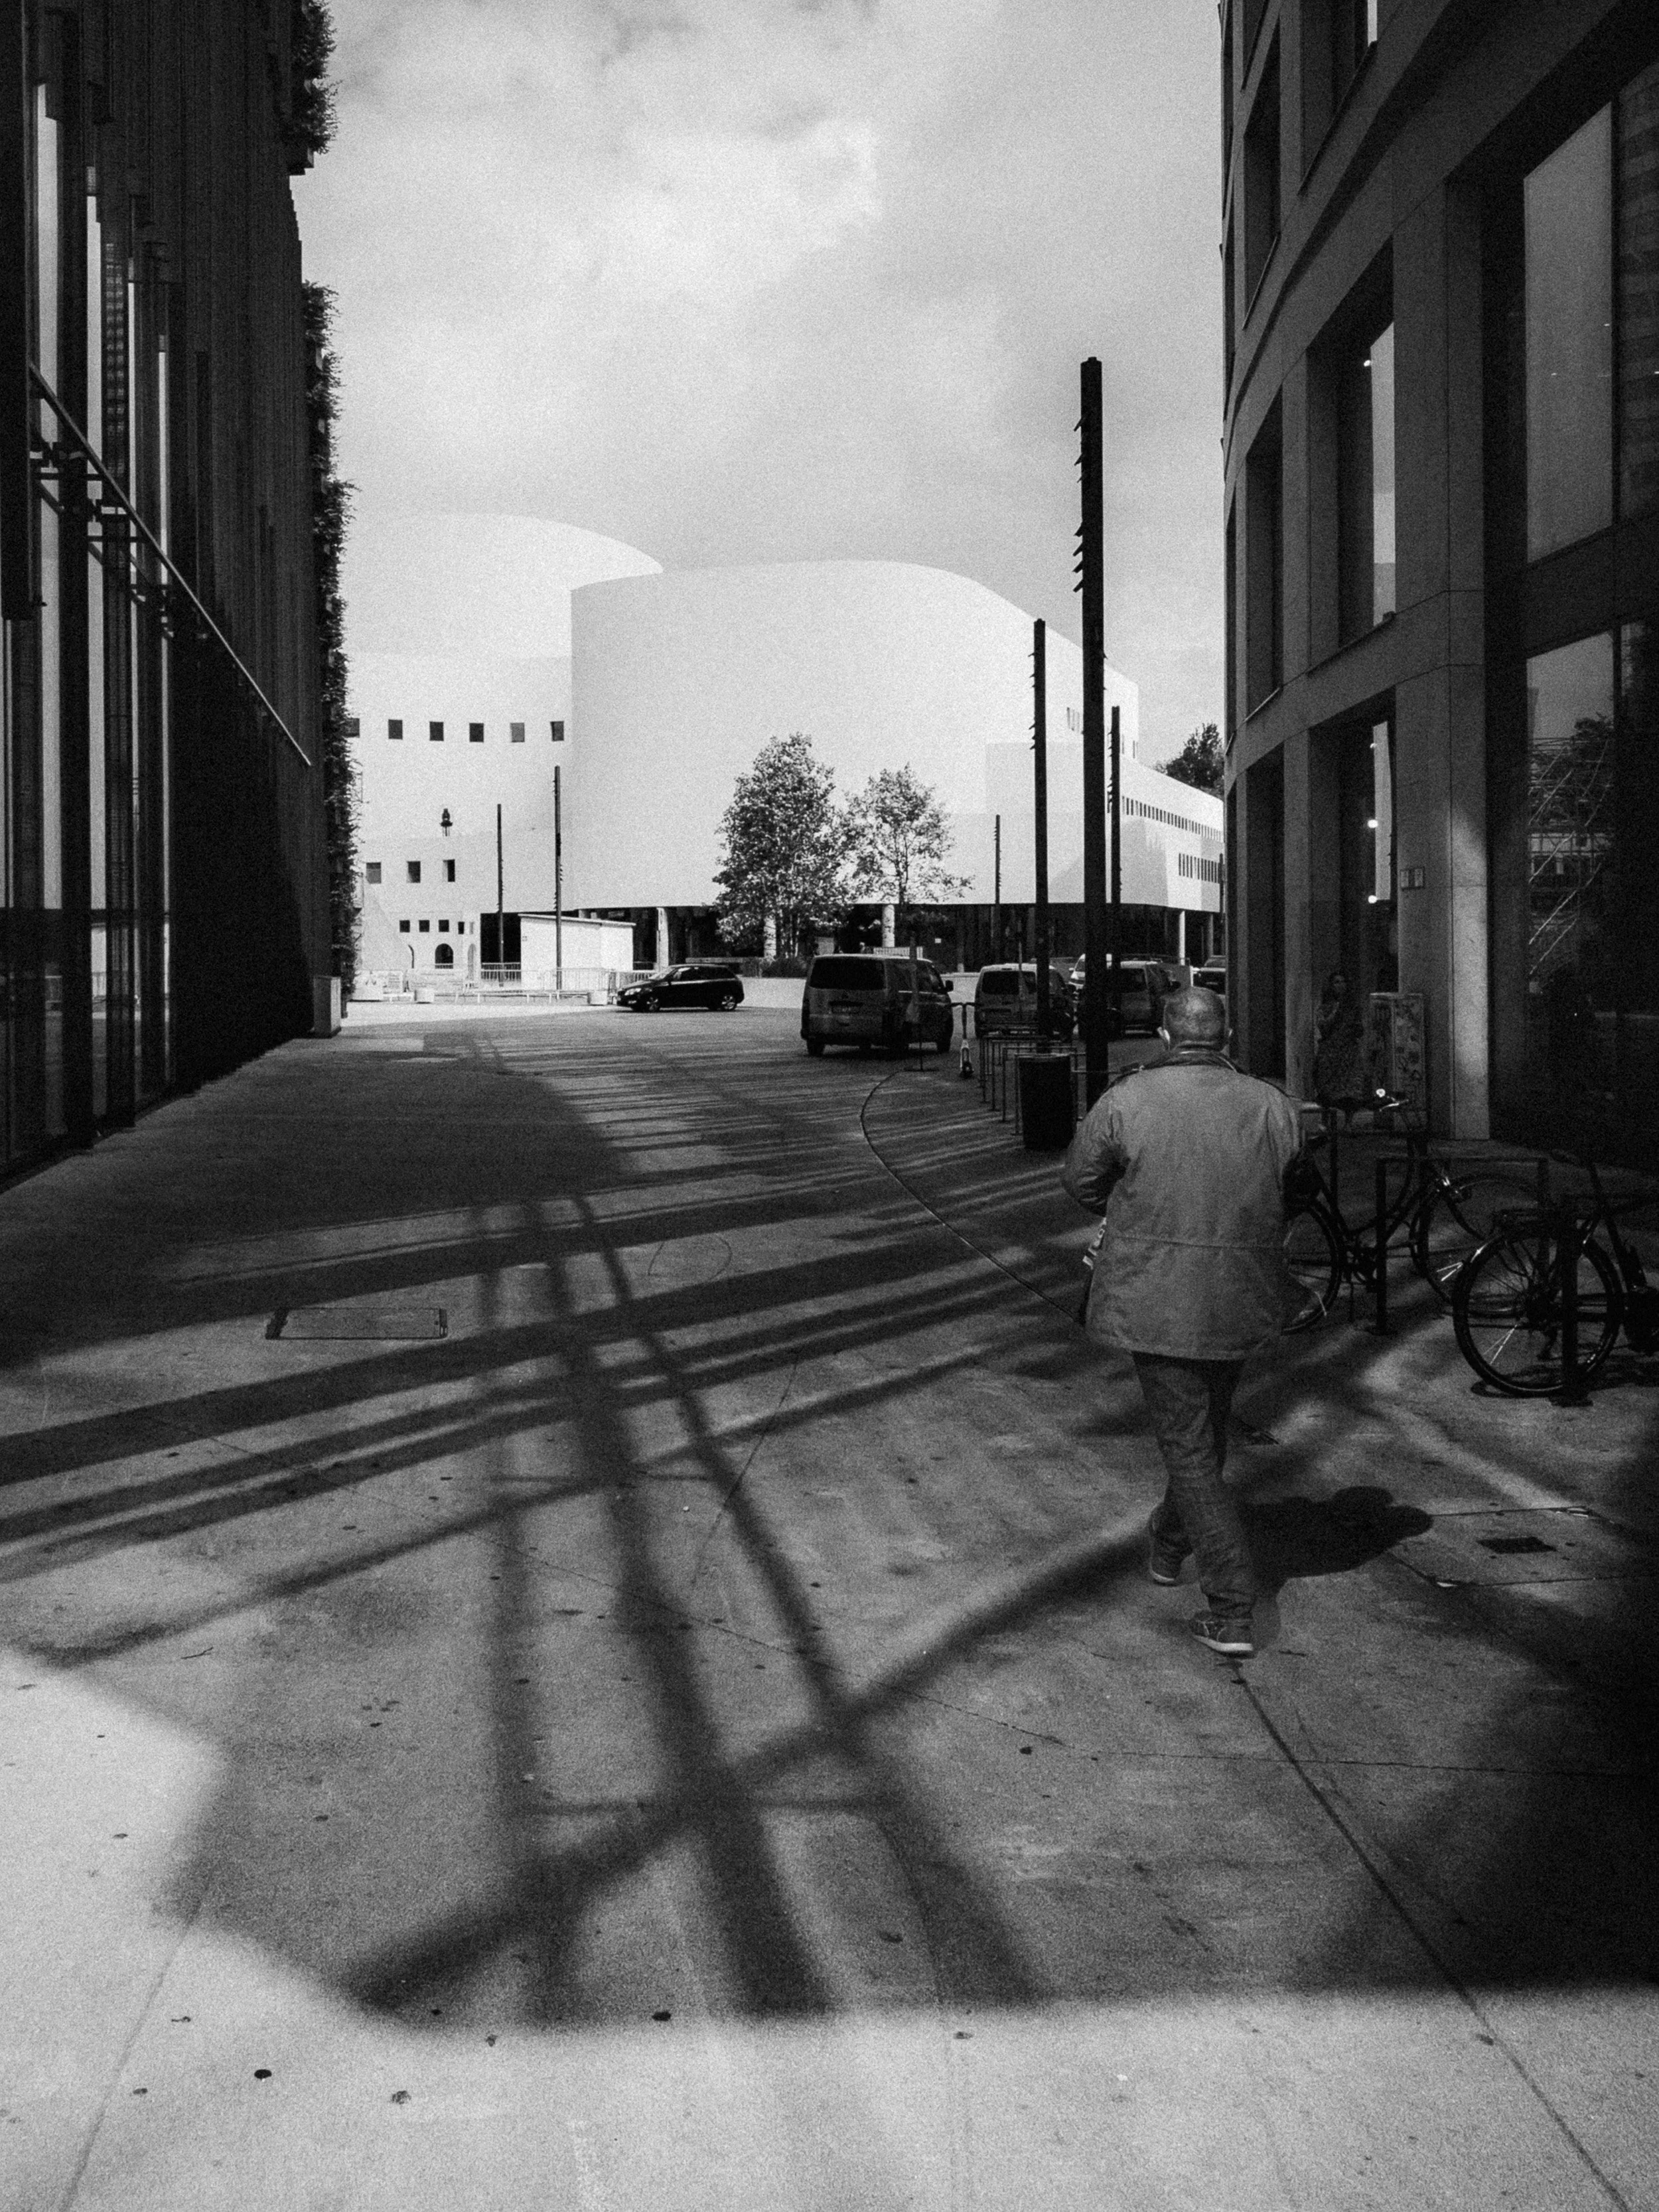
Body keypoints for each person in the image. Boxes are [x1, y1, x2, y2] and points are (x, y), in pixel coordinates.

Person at [1062, 986, 1308, 1659]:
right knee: (1203, 1434)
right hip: (1238, 1291)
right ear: (1223, 1037)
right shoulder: (1269, 1104)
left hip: (1157, 1294)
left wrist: (1130, 1206)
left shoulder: (1127, 1101)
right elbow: (1296, 1187)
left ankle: (1231, 1608)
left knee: (1190, 1447)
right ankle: (1168, 1544)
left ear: (1167, 1036)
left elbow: (1081, 1180)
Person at [1313, 969, 1370, 1122]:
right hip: (1331, 1052)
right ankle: (1325, 1121)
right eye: (1337, 982)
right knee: (1328, 1087)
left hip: (1348, 1051)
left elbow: (1360, 1029)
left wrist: (1355, 1028)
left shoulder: (1353, 1007)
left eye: (1343, 982)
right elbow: (1323, 1026)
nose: (1341, 985)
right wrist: (1335, 1012)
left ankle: (1349, 1121)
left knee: (1350, 1089)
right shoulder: (1325, 1007)